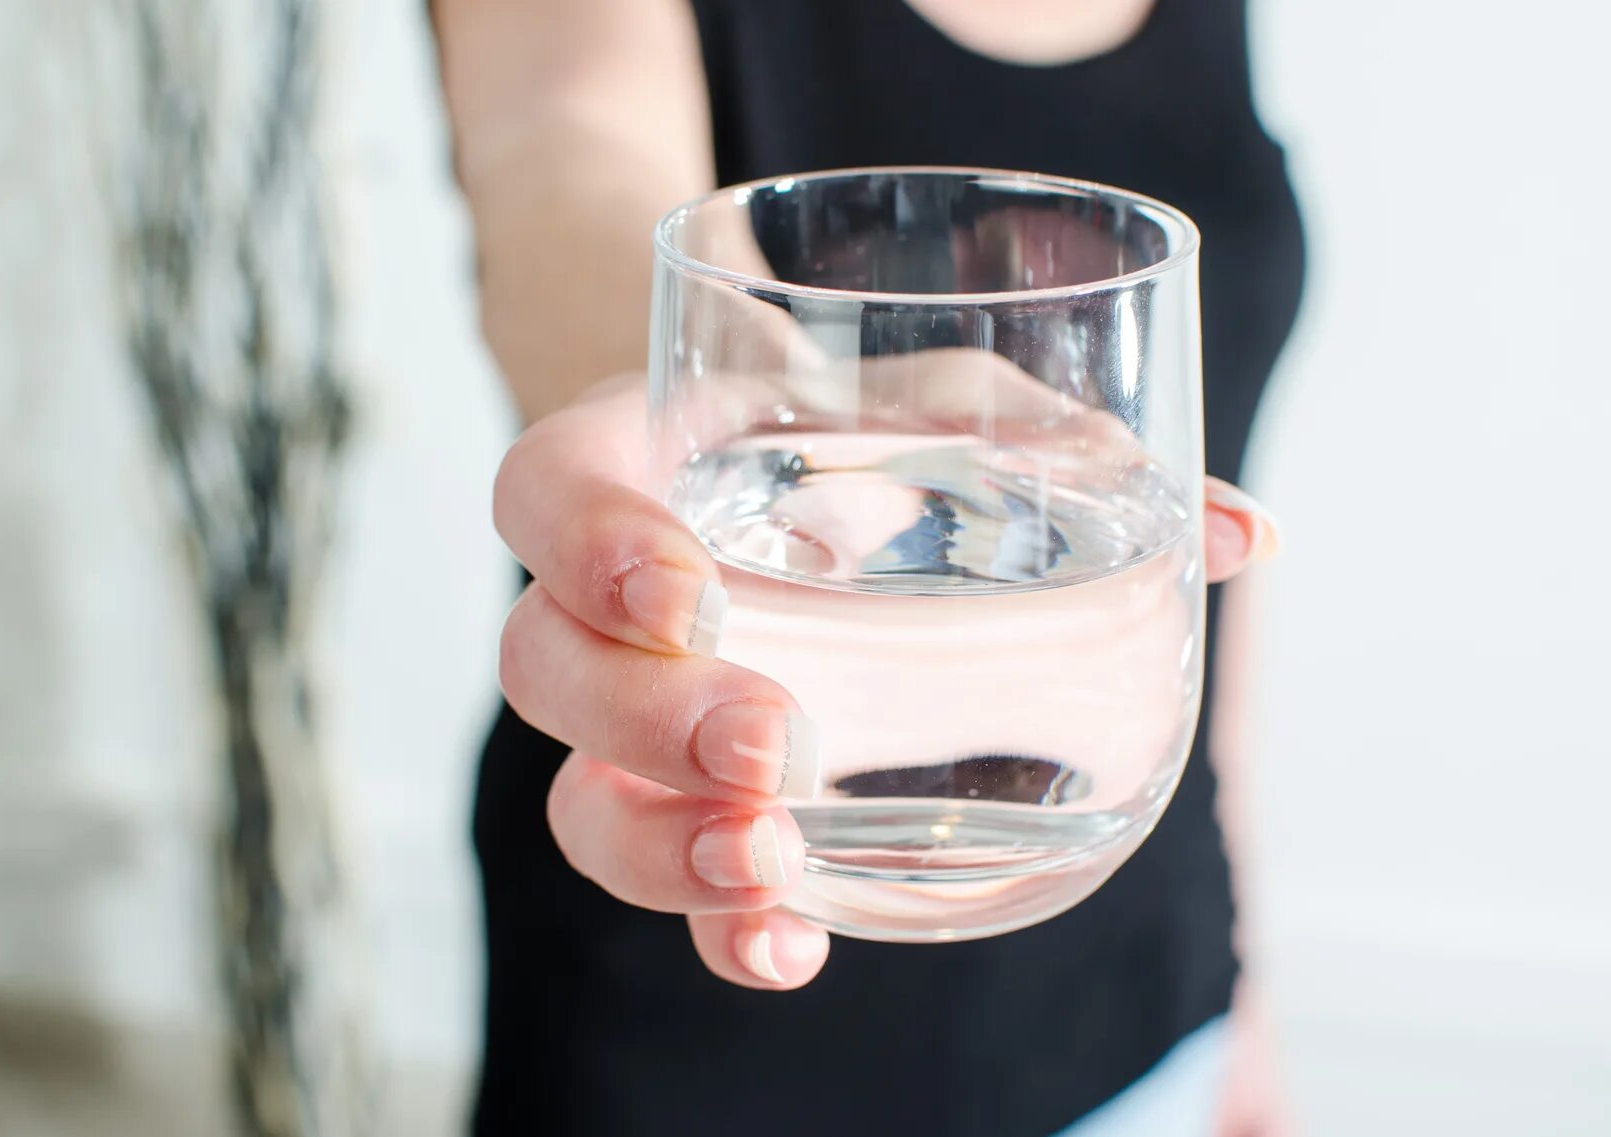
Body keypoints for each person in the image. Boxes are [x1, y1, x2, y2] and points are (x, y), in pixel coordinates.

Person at [432, 1, 1304, 1134]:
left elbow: (1198, 527)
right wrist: (730, 407)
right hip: (705, 1032)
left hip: (1147, 1009)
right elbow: (569, 141)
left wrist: (1246, 983)